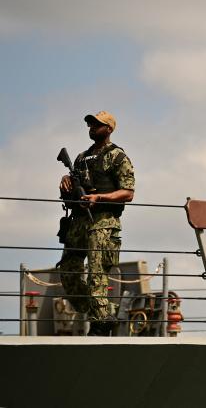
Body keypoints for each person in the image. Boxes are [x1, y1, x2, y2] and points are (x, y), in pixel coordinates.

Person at [57, 111, 135, 336]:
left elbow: (128, 193)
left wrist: (98, 198)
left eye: (97, 125)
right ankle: (102, 310)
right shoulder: (82, 157)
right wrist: (67, 181)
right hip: (79, 220)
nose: (92, 127)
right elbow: (76, 183)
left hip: (103, 221)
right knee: (68, 270)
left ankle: (100, 322)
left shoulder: (118, 156)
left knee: (96, 273)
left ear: (109, 129)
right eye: (90, 124)